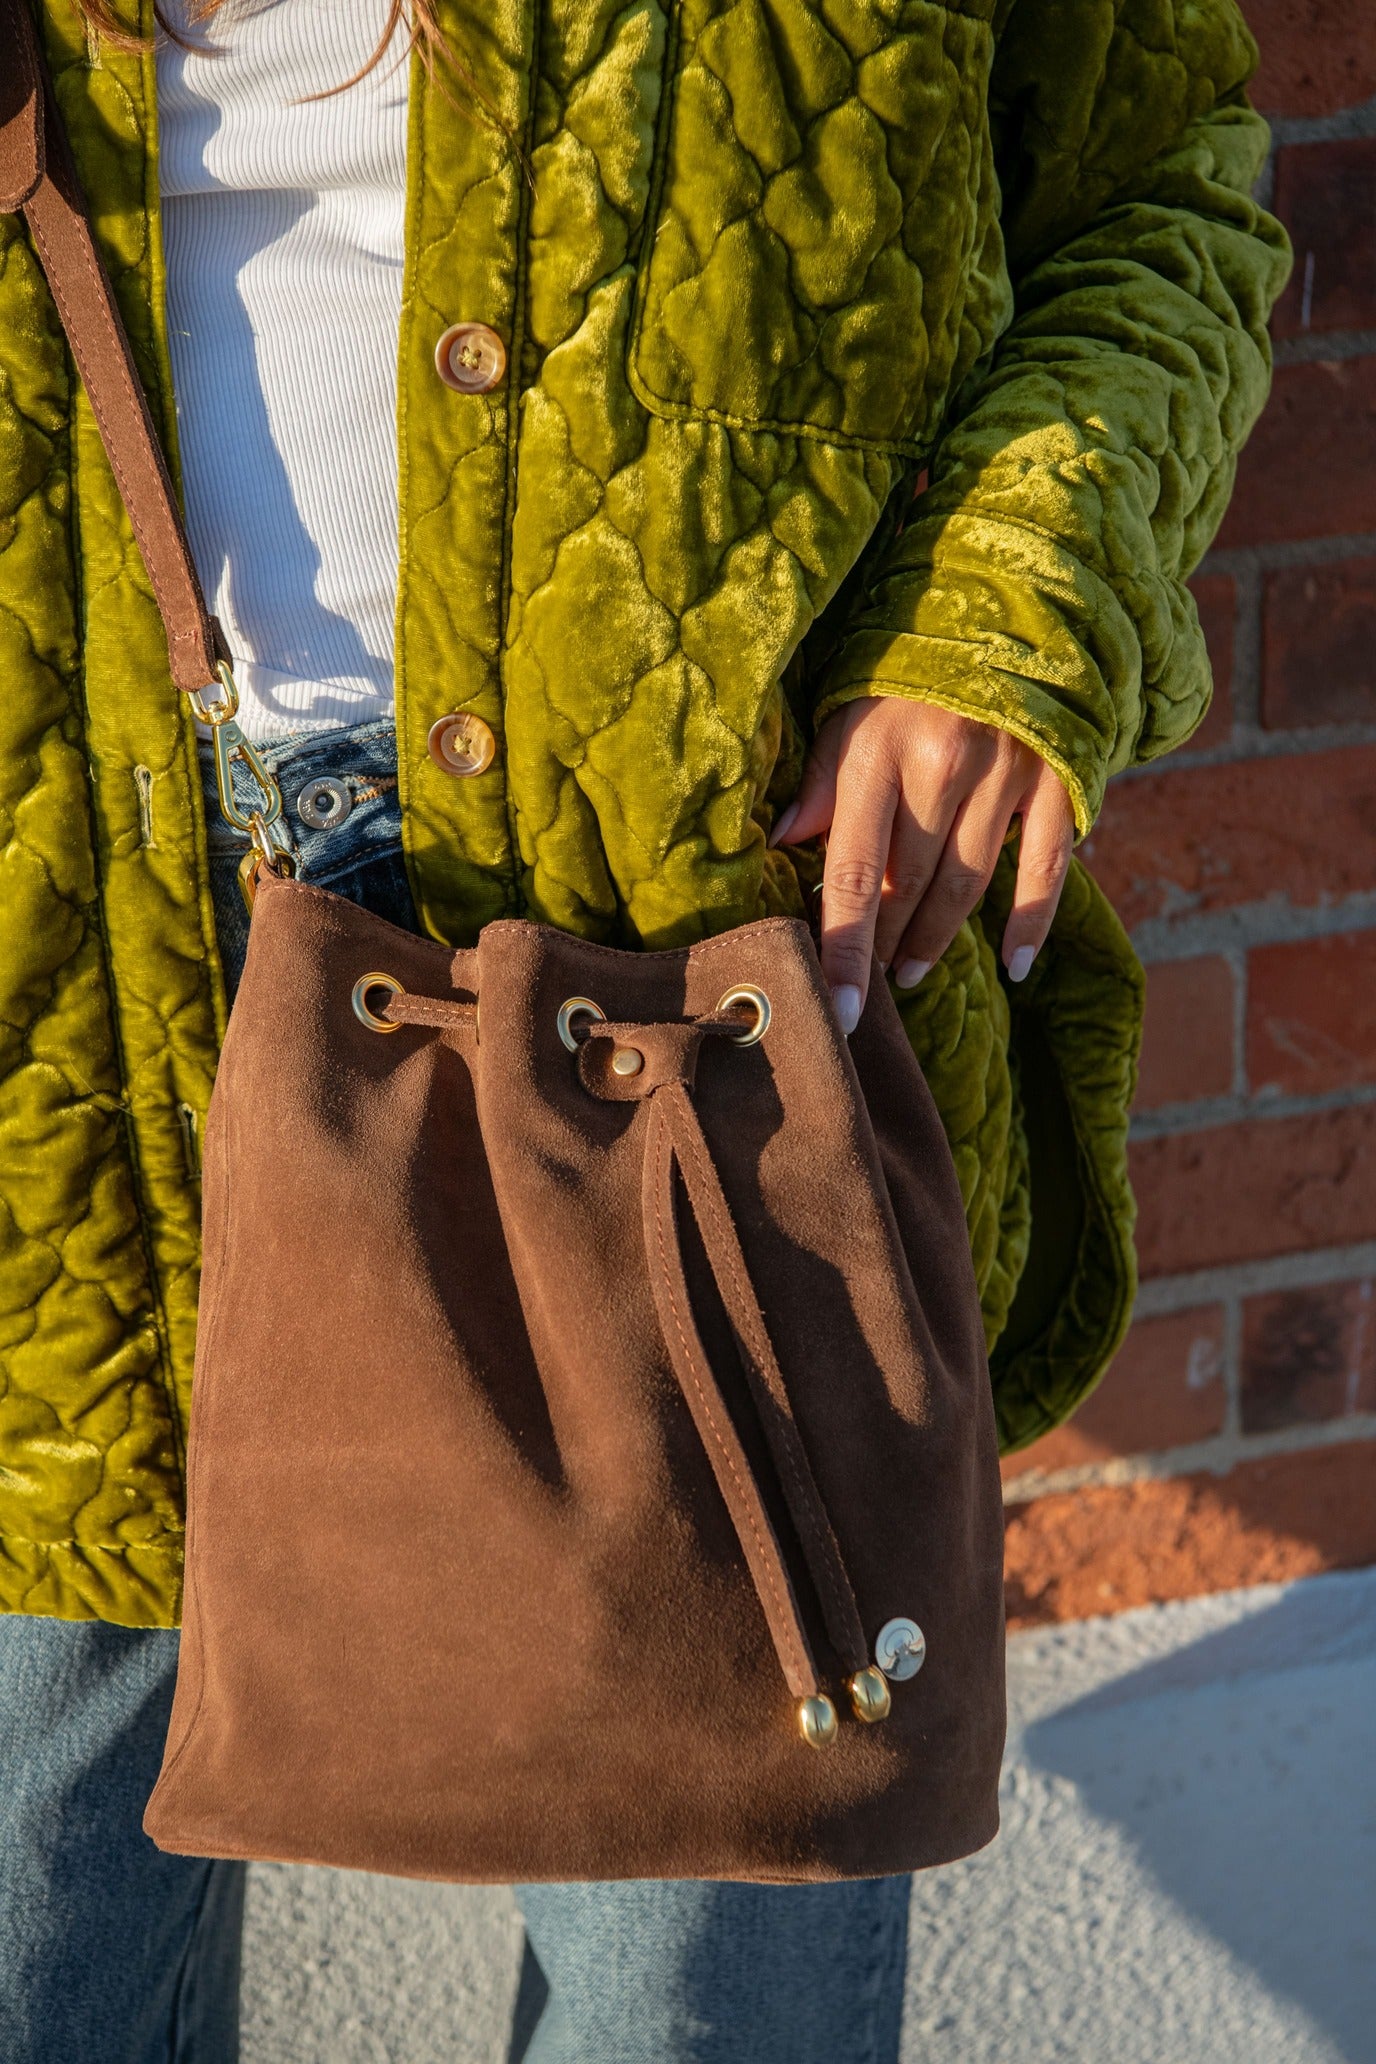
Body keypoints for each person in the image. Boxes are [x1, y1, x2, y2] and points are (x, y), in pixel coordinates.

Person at [0, 0, 1289, 2058]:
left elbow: (1159, 192)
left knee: (703, 1967)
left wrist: (1004, 603)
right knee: (32, 1925)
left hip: (691, 970)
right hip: (68, 982)